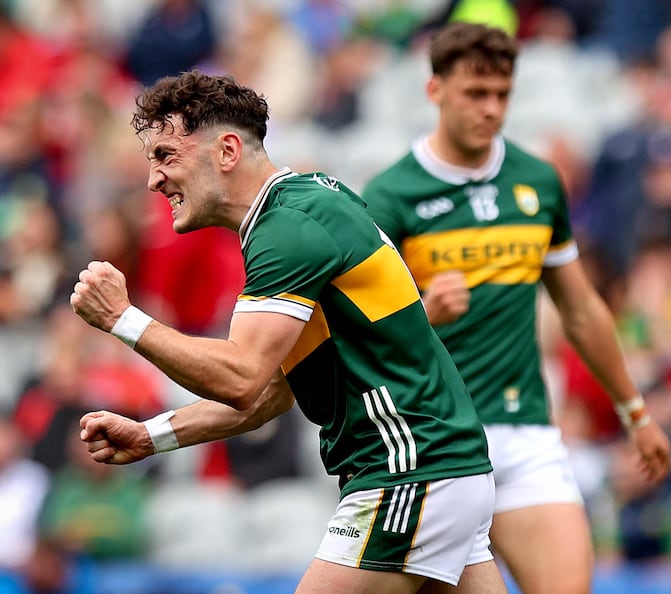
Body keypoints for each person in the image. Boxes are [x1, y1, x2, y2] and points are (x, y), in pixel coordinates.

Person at [69, 70, 507, 594]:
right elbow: (272, 394)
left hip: (408, 470)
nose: (153, 180)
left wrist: (123, 318)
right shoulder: (298, 210)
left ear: (227, 150)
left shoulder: (288, 227)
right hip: (442, 468)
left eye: (166, 156)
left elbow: (242, 379)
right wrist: (150, 435)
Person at [361, 22, 671, 594]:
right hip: (434, 440)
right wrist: (421, 313)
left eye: (502, 94)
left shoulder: (536, 183)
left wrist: (636, 412)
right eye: (474, 94)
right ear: (434, 91)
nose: (491, 109)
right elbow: (354, 336)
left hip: (527, 434)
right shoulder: (389, 197)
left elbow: (580, 309)